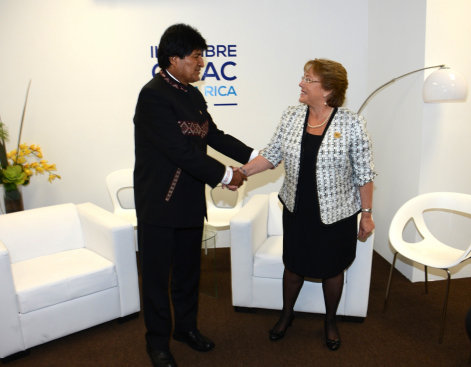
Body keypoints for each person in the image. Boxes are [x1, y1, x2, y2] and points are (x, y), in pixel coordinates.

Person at [133, 24, 255, 367]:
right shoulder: (153, 95)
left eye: (202, 55)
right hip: (159, 204)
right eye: (197, 56)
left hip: (188, 202)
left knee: (188, 273)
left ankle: (185, 329)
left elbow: (212, 135)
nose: (202, 62)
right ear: (174, 58)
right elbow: (179, 151)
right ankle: (157, 343)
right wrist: (227, 174)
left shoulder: (192, 94)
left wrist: (255, 155)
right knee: (157, 279)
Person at [238, 59, 376, 351]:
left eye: (308, 79)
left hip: (336, 213)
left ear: (327, 90)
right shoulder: (291, 116)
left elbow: (364, 173)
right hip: (298, 209)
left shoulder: (351, 122)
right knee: (294, 265)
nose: (301, 83)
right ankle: (286, 315)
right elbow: (272, 154)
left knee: (332, 269)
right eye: (303, 77)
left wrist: (366, 214)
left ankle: (330, 321)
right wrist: (242, 173)